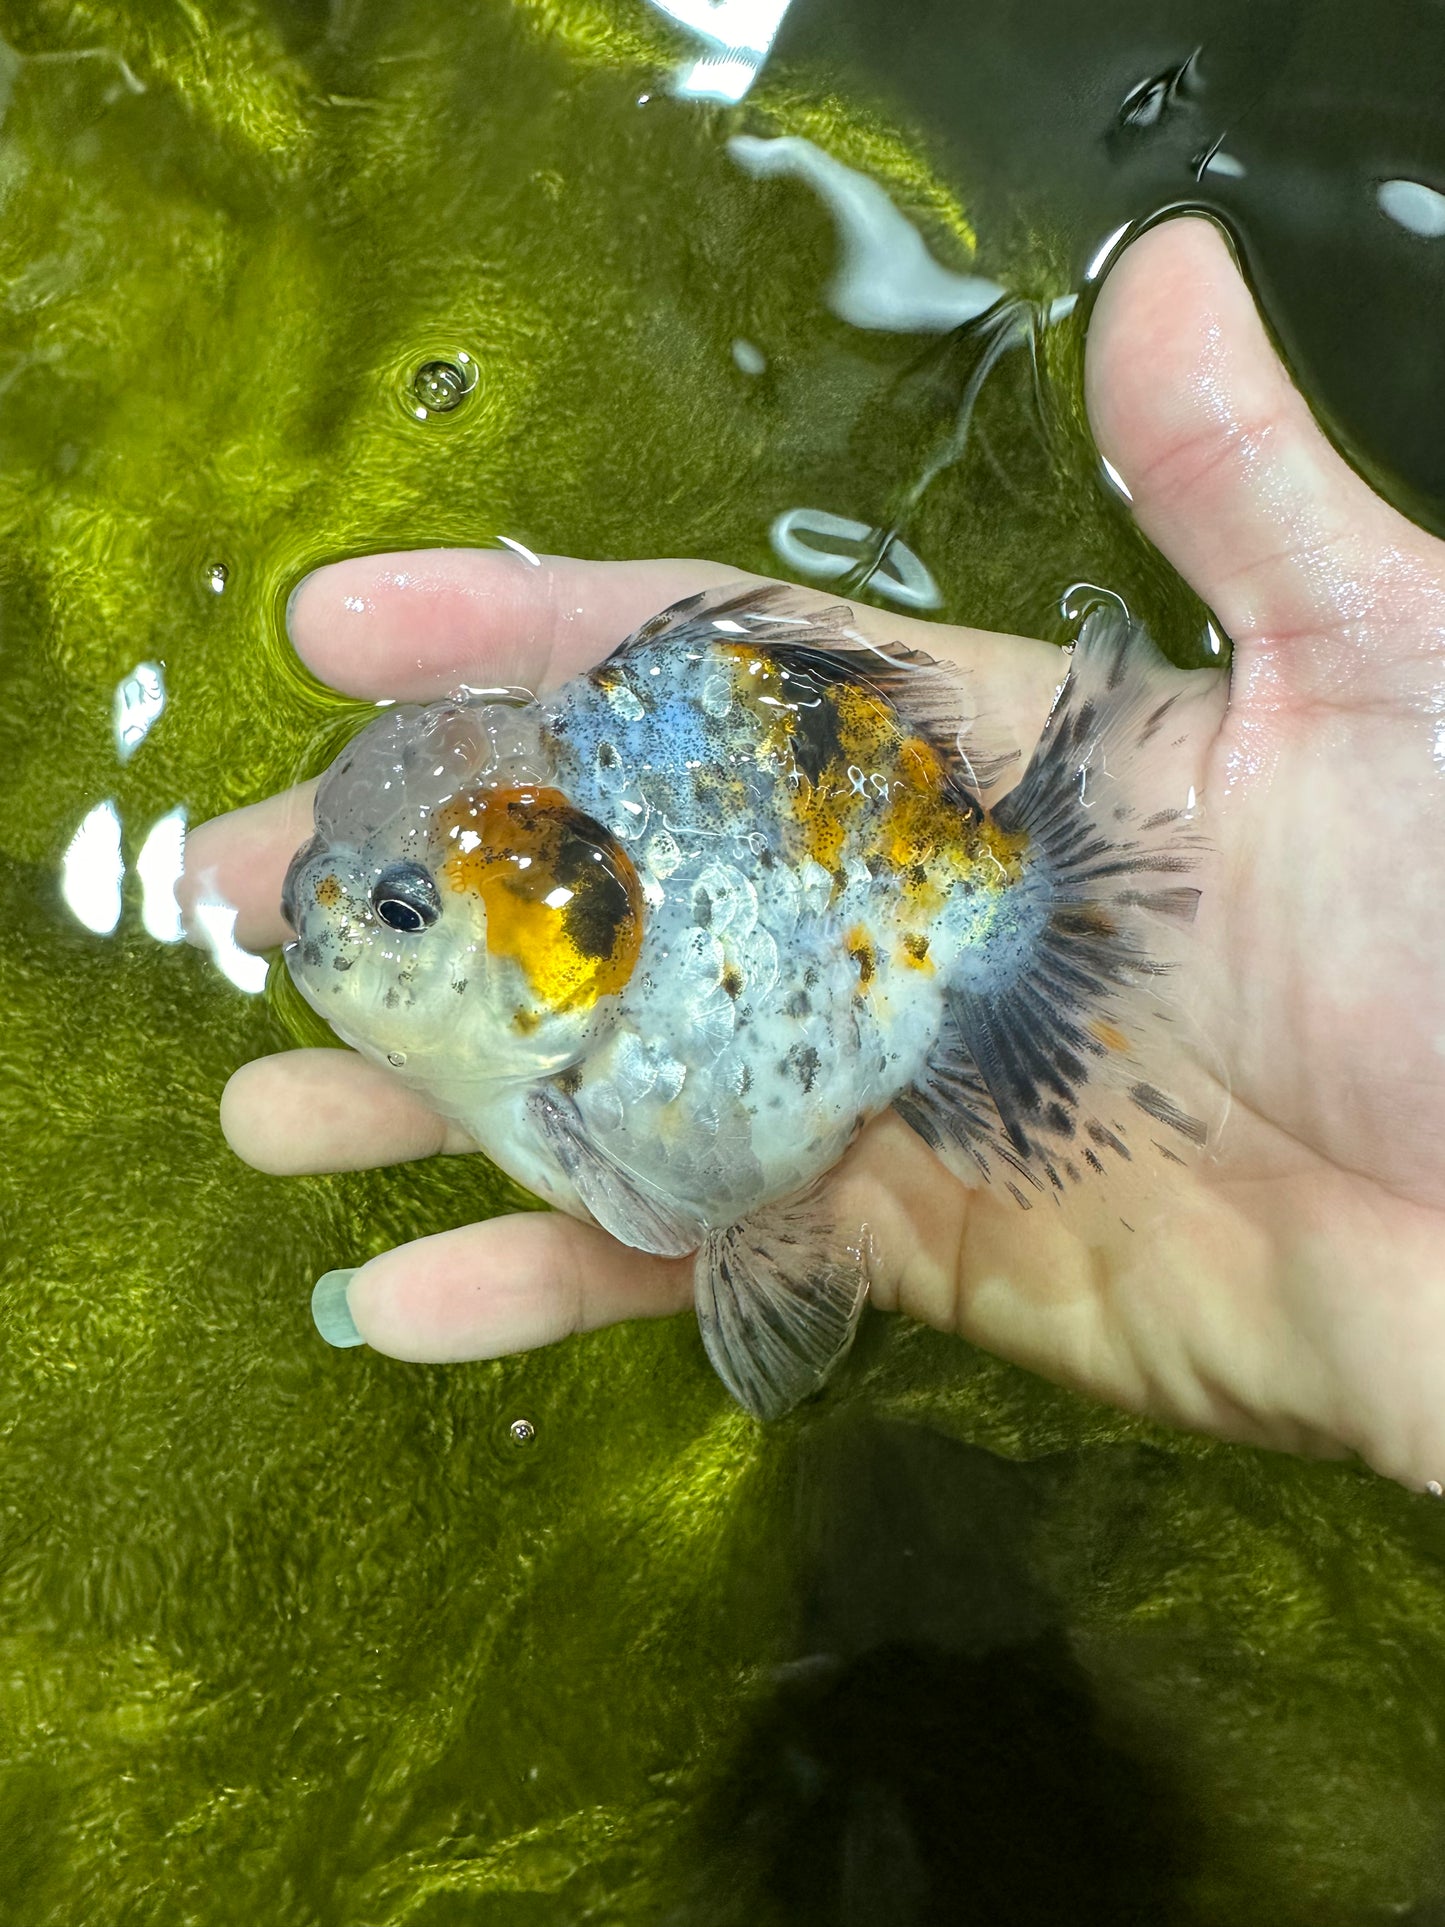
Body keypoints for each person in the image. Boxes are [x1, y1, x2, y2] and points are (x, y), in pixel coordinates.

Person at [179, 218, 1445, 1490]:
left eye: (405, 914)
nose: (333, 922)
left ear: (572, 931)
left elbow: (681, 1201)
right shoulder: (538, 1020)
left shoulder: (577, 1016)